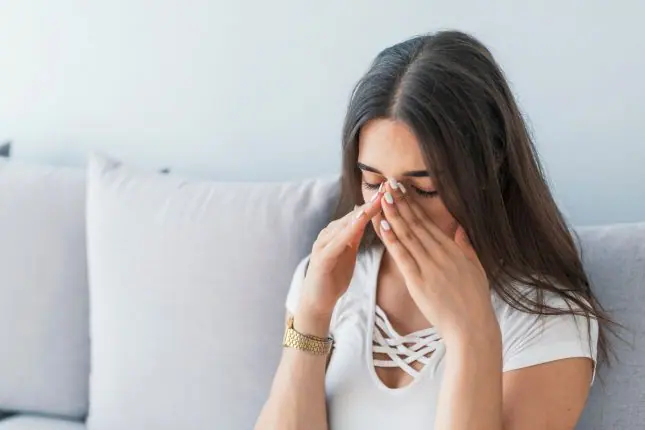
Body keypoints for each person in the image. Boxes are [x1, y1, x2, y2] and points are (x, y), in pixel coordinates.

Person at [255, 30, 611, 430]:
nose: (391, 209)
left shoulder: (547, 318)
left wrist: (471, 334)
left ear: (489, 170)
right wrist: (312, 314)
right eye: (373, 182)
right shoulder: (331, 276)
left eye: (425, 189)